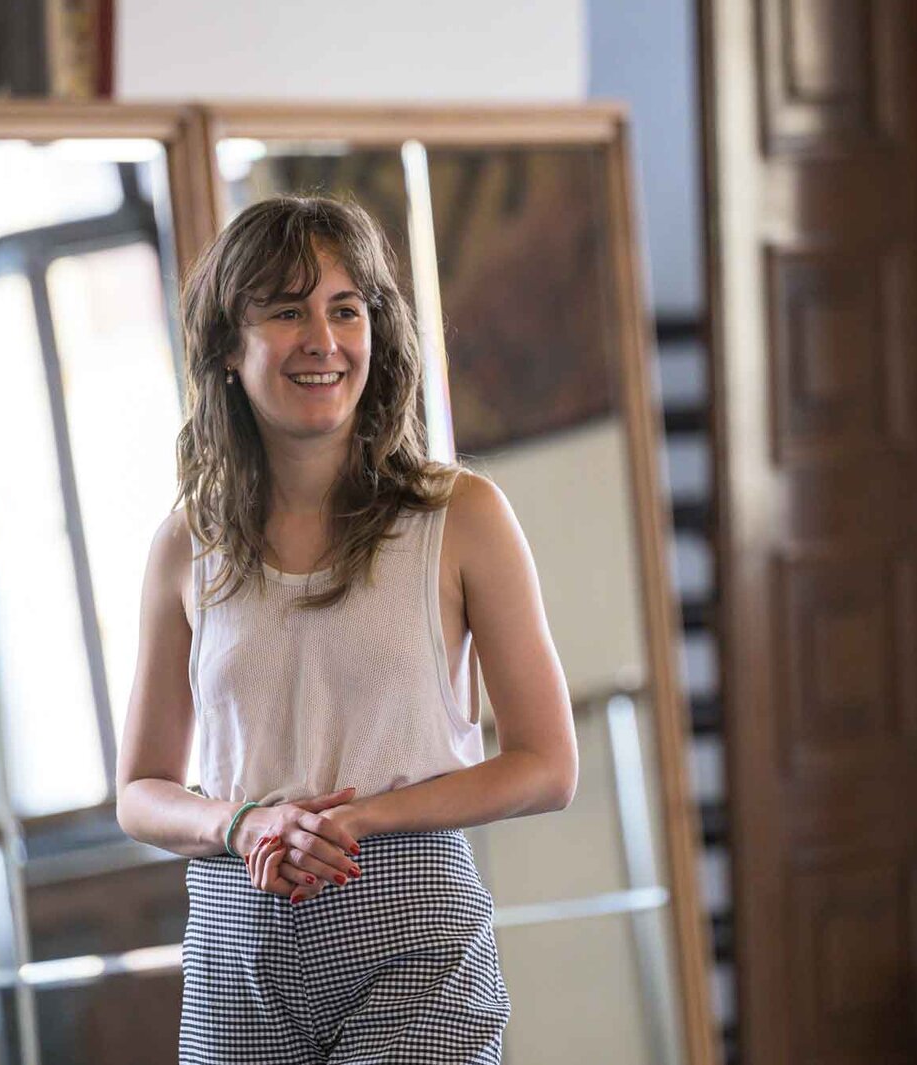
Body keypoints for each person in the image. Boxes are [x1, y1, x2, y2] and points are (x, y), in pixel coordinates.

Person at [115, 194, 578, 1064]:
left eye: (345, 309)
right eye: (287, 311)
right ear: (228, 347)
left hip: (414, 928)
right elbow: (140, 788)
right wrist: (244, 825)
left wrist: (360, 821)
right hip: (236, 940)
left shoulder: (462, 515)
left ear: (376, 331)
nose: (322, 340)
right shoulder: (184, 545)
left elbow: (548, 765)